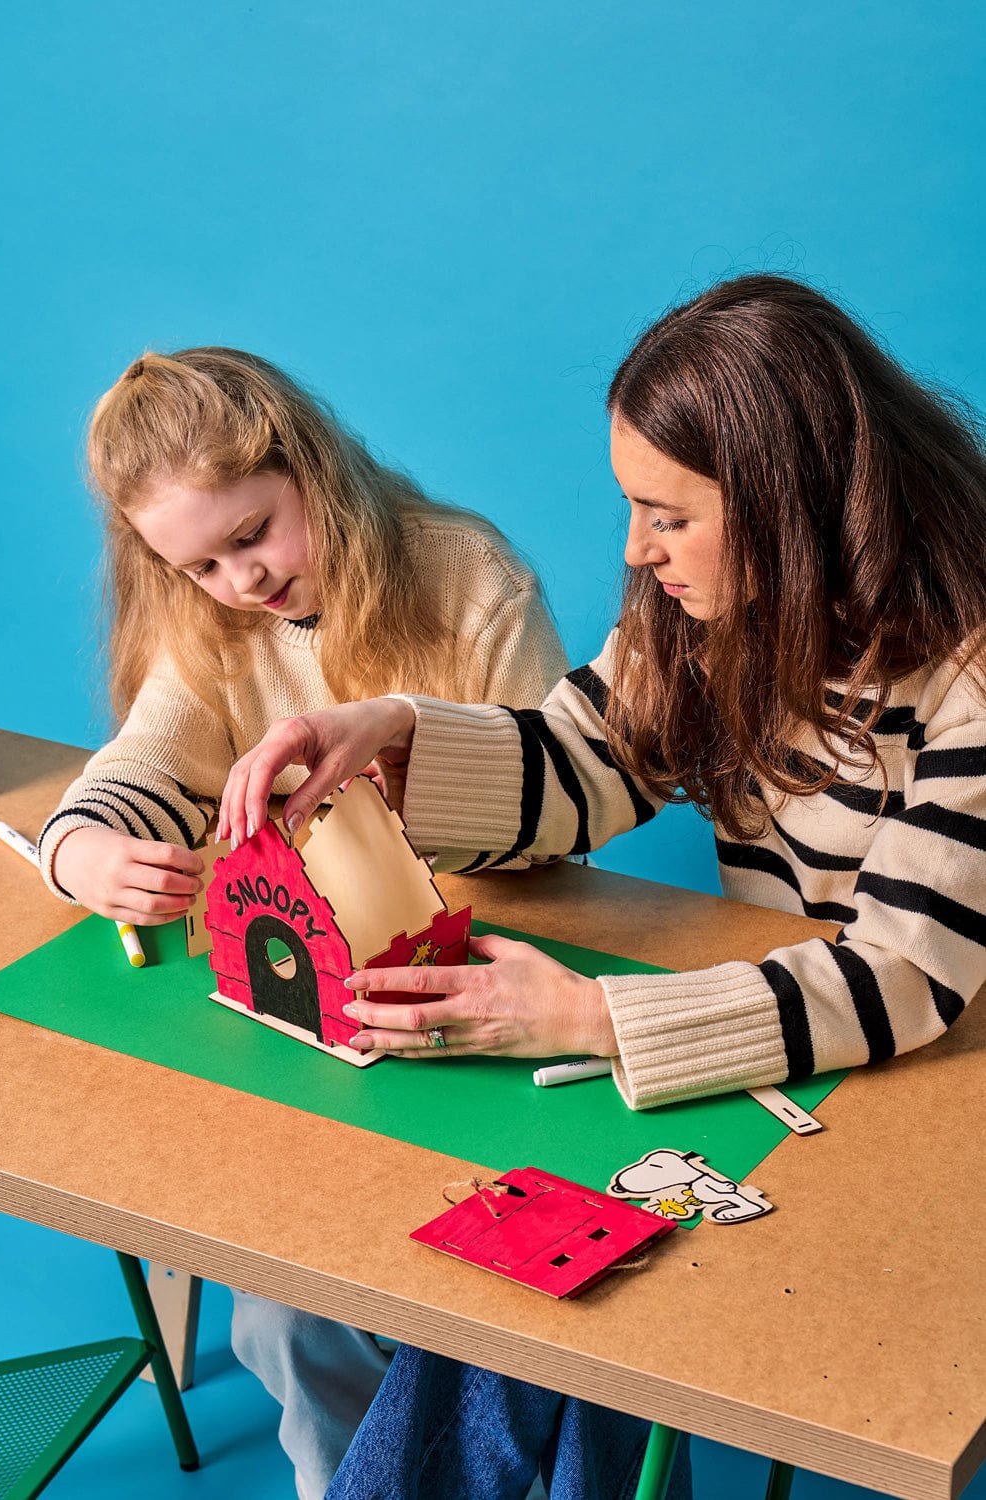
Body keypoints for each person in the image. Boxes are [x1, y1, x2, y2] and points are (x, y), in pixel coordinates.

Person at [216, 274, 986, 1498]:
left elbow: (903, 976)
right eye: (632, 507)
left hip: (933, 1090)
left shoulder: (968, 674)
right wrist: (395, 730)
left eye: (666, 515)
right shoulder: (717, 609)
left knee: (541, 1326)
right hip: (779, 1044)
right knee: (522, 1306)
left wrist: (583, 1015)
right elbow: (588, 757)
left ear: (789, 505)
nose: (633, 548)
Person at [37, 346, 569, 1499]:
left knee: (486, 1297)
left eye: (255, 534)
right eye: (200, 564)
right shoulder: (214, 625)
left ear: (309, 467)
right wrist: (84, 854)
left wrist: (403, 788)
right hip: (313, 1039)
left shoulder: (469, 580)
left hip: (471, 994)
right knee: (279, 1320)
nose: (241, 580)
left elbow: (557, 811)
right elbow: (144, 763)